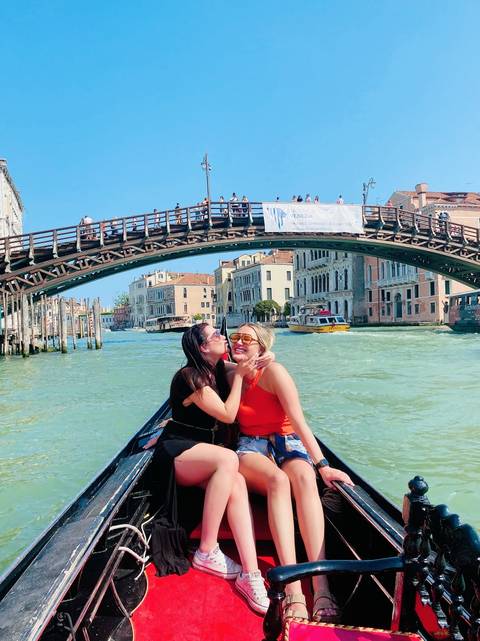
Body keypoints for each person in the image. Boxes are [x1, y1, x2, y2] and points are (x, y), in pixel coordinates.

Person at [228, 324, 354, 623]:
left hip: (286, 439)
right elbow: (204, 363)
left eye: (248, 339)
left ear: (261, 347)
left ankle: (321, 583)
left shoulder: (274, 373)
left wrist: (323, 465)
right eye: (236, 337)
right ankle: (293, 587)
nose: (239, 342)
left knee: (304, 477)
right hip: (251, 445)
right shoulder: (230, 373)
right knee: (278, 481)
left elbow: (298, 420)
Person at [150, 323, 271, 613]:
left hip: (201, 454)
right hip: (177, 453)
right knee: (228, 459)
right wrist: (240, 377)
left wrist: (267, 358)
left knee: (237, 483)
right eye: (215, 335)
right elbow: (228, 415)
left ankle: (250, 574)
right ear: (203, 347)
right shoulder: (190, 376)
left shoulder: (216, 369)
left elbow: (246, 366)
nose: (222, 336)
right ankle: (206, 550)